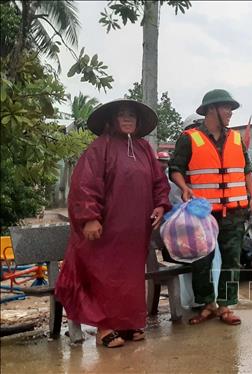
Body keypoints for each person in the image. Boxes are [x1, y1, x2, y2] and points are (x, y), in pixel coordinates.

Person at [55, 99, 171, 348]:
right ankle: (104, 328)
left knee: (130, 279)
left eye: (132, 114)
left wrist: (161, 205)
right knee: (105, 278)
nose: (128, 118)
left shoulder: (144, 149)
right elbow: (84, 185)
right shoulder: (100, 148)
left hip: (135, 231)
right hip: (105, 230)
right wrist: (90, 218)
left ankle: (127, 325)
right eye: (122, 114)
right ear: (112, 120)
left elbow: (159, 182)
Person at [169, 89, 252, 325]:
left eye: (231, 109)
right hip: (202, 213)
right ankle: (207, 304)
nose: (230, 113)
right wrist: (184, 187)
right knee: (202, 260)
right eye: (226, 108)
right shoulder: (189, 138)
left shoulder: (236, 139)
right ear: (211, 110)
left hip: (234, 211)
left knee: (231, 260)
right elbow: (175, 169)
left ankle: (226, 306)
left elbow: (247, 171)